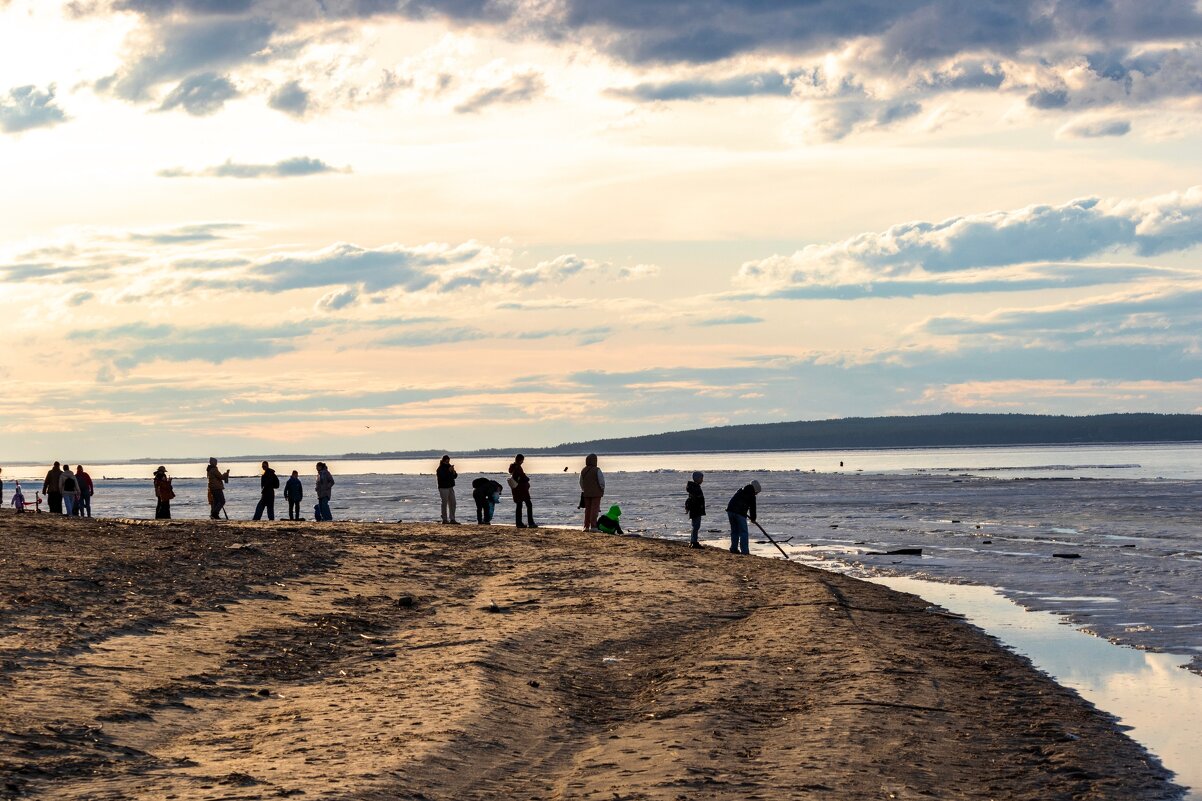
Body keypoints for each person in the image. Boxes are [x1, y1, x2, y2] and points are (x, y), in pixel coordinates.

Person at [726, 480, 762, 556]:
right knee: (743, 532)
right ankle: (745, 551)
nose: (756, 494)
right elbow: (753, 508)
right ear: (755, 490)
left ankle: (734, 548)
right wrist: (753, 518)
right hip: (740, 513)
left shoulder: (741, 490)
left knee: (734, 531)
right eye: (757, 492)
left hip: (730, 511)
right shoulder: (751, 495)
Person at [508, 454, 536, 528]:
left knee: (519, 505)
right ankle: (530, 522)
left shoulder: (513, 467)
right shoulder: (518, 467)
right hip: (522, 490)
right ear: (520, 460)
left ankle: (519, 523)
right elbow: (523, 477)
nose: (523, 462)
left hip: (516, 490)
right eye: (522, 460)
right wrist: (527, 479)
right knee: (529, 505)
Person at [579, 453, 605, 531]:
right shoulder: (597, 470)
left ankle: (586, 526)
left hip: (586, 493)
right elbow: (601, 482)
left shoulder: (583, 470)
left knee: (588, 510)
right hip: (596, 493)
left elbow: (581, 482)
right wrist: (602, 489)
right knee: (594, 509)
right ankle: (593, 526)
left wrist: (584, 489)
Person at [436, 455, 459, 524]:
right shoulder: (440, 468)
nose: (447, 462)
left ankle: (452, 519)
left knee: (453, 503)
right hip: (443, 488)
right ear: (443, 461)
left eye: (448, 460)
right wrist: (449, 471)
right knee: (444, 503)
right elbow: (443, 477)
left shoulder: (449, 467)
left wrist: (453, 472)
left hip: (450, 487)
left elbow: (454, 476)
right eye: (446, 461)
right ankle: (445, 519)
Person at [685, 471, 706, 548]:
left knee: (695, 526)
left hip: (695, 510)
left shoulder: (694, 487)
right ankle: (694, 542)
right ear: (697, 479)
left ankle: (693, 541)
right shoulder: (695, 488)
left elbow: (690, 499)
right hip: (696, 510)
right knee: (696, 526)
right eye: (701, 478)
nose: (702, 480)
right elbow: (693, 499)